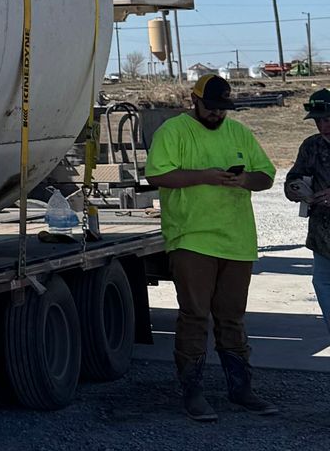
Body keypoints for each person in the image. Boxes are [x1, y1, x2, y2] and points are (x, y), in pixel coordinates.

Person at [141, 71, 275, 419]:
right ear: (194, 100)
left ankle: (241, 389)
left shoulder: (239, 132)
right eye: (211, 107)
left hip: (237, 240)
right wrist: (205, 176)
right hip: (192, 238)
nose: (217, 114)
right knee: (195, 316)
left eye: (222, 109)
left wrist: (244, 179)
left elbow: (267, 175)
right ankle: (193, 391)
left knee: (232, 318)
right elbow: (156, 174)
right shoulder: (174, 131)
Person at [282, 86, 330, 346]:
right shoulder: (311, 146)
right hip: (323, 237)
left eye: (328, 119)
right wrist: (294, 189)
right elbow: (295, 176)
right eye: (318, 120)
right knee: (323, 284)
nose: (323, 126)